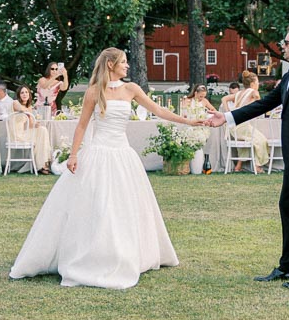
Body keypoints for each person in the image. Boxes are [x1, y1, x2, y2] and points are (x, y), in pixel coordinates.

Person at [10, 48, 196, 288]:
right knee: (96, 205)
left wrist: (190, 121)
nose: (127, 66)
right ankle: (91, 253)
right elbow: (81, 126)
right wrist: (74, 154)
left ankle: (125, 252)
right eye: (123, 62)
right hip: (97, 153)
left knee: (123, 205)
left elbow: (158, 111)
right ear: (110, 64)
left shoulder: (131, 89)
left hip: (122, 155)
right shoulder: (94, 91)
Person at [210, 24, 289, 289]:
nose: (282, 46)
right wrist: (227, 117)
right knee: (287, 207)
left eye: (286, 42)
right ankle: (288, 267)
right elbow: (265, 103)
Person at [226, 72, 270, 173]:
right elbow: (260, 105)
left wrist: (228, 111)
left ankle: (238, 166)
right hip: (242, 126)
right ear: (252, 84)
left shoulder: (240, 93)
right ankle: (258, 165)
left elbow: (224, 98)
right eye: (257, 82)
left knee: (248, 141)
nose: (258, 84)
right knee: (261, 140)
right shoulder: (253, 92)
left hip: (234, 128)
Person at [10, 85, 53, 173]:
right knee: (42, 133)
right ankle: (42, 164)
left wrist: (35, 124)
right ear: (18, 95)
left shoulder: (29, 107)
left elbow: (29, 125)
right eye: (22, 93)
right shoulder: (15, 103)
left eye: (26, 92)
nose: (24, 94)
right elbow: (22, 110)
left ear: (29, 94)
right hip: (16, 134)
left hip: (24, 132)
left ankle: (42, 164)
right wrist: (31, 111)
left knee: (42, 130)